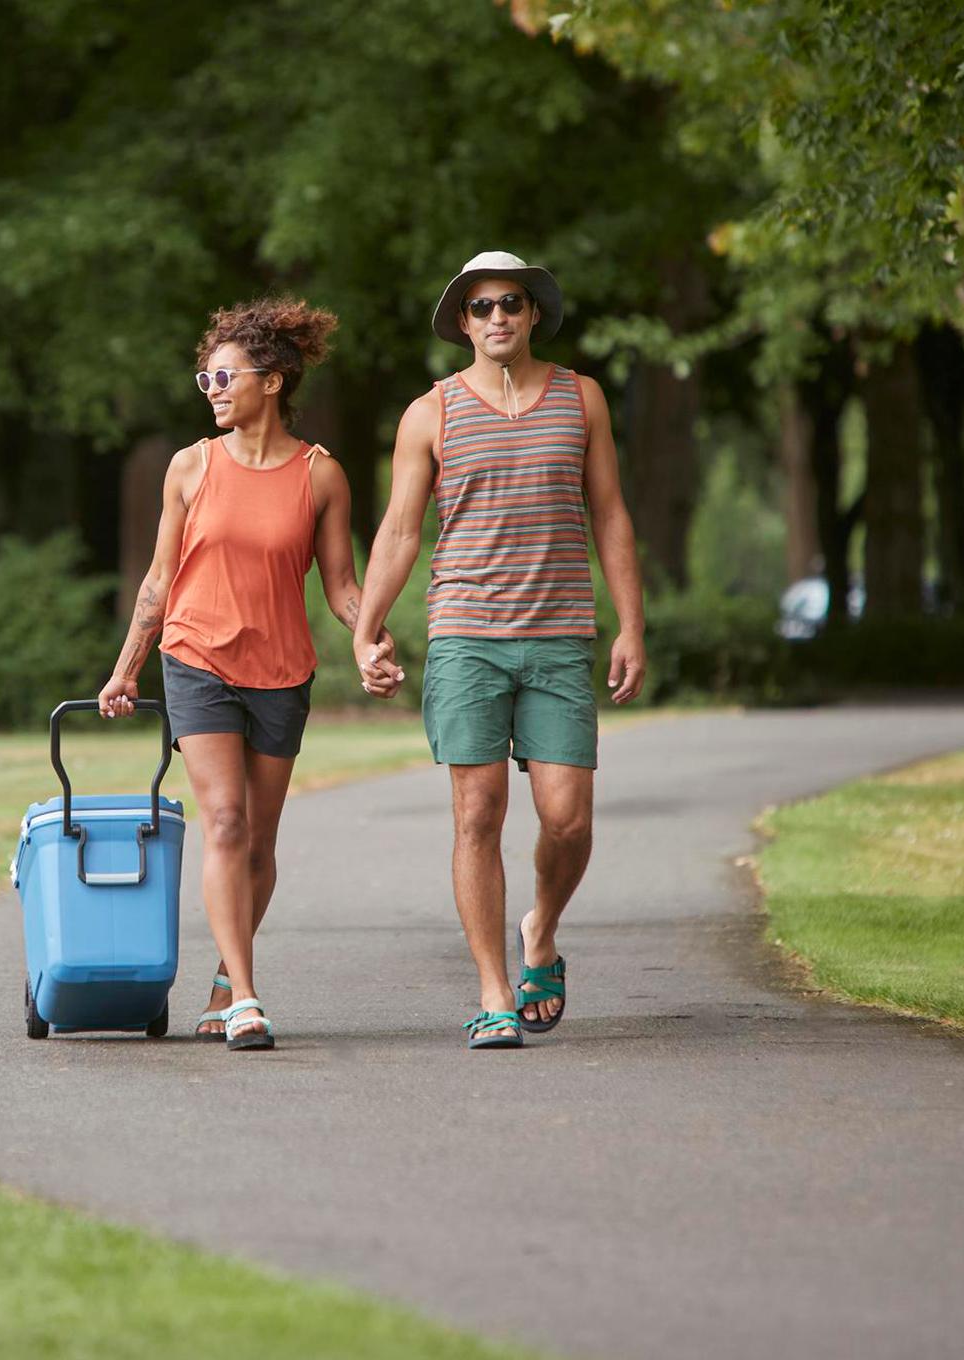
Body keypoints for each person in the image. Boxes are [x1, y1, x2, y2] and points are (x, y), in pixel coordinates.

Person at [354, 250, 646, 1050]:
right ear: (460, 322)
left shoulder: (581, 399)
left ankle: (540, 930)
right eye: (479, 308)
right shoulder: (430, 414)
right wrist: (366, 626)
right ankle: (492, 994)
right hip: (465, 637)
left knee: (569, 819)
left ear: (532, 313)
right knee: (477, 815)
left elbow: (611, 515)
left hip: (558, 636)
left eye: (509, 304)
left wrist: (631, 624)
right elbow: (402, 531)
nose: (496, 319)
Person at [98, 296, 390, 1051]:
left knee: (260, 842)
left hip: (280, 671)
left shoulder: (321, 477)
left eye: (224, 377)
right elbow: (161, 580)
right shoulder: (190, 467)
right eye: (206, 380)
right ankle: (250, 997)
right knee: (223, 821)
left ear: (273, 380)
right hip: (195, 659)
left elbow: (342, 587)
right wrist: (127, 667)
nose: (213, 390)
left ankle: (226, 979)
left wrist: (369, 640)